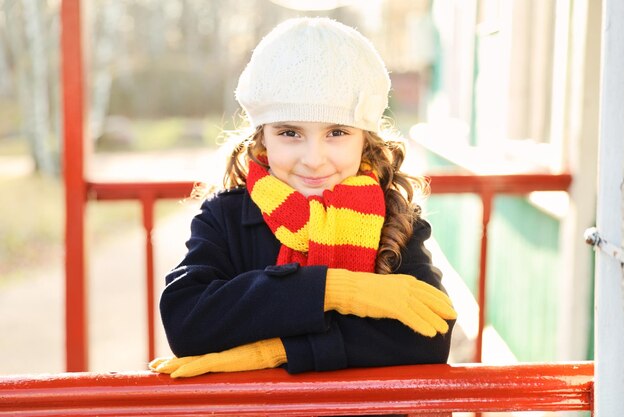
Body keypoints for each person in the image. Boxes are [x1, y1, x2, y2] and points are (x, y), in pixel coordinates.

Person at [149, 17, 456, 379]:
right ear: (262, 137)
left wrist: (278, 350)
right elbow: (187, 320)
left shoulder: (395, 217)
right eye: (290, 132)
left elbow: (430, 336)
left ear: (365, 139)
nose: (313, 158)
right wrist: (333, 290)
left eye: (337, 132)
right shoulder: (224, 217)